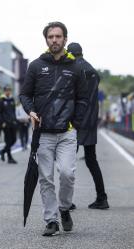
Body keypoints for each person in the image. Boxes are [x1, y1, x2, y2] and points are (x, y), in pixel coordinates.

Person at [20, 21, 88, 236]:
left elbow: (84, 99)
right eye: (51, 37)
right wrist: (30, 110)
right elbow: (24, 94)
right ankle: (51, 220)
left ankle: (65, 208)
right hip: (43, 133)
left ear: (65, 39)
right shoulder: (36, 66)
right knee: (46, 178)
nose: (55, 40)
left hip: (67, 132)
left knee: (67, 174)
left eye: (58, 36)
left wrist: (75, 122)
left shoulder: (76, 67)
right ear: (46, 40)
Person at [67, 42, 109, 209]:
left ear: (70, 53)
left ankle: (67, 201)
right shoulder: (92, 70)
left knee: (68, 162)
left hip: (76, 121)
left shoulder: (73, 69)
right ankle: (102, 197)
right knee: (91, 160)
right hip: (91, 121)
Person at [0, 86, 18, 164]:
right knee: (8, 141)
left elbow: (14, 111)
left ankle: (3, 151)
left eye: (9, 90)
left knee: (14, 140)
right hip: (5, 124)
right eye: (6, 90)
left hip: (12, 123)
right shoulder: (1, 100)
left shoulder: (12, 100)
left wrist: (15, 120)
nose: (8, 92)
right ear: (4, 91)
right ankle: (10, 158)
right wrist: (2, 122)